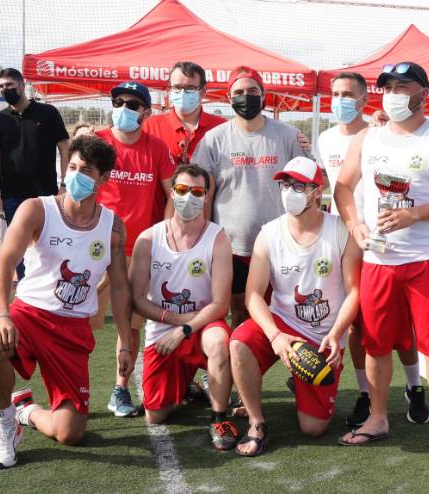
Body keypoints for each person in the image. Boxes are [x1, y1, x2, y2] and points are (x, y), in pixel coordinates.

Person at [334, 61, 429, 460]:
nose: (393, 94)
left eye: (402, 87)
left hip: (426, 260)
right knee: (376, 345)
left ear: (422, 93)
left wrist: (415, 214)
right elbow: (342, 187)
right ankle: (378, 417)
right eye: (388, 87)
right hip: (379, 261)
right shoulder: (367, 138)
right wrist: (355, 226)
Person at [0, 135, 131, 469]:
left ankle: (26, 410)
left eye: (86, 170)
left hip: (72, 329)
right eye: (72, 167)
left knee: (70, 433)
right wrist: (1, 314)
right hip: (29, 314)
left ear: (104, 178)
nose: (75, 175)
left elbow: (120, 289)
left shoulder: (113, 228)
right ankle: (3, 424)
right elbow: (5, 262)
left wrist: (125, 343)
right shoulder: (37, 209)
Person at [229, 156, 361, 456]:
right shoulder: (269, 233)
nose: (289, 191)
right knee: (239, 343)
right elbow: (253, 295)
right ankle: (256, 422)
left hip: (323, 336)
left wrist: (336, 334)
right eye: (285, 184)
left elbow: (355, 291)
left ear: (317, 191)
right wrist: (275, 335)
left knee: (313, 428)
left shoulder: (341, 230)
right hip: (283, 322)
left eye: (299, 186)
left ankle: (300, 382)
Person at [316, 72, 427, 427]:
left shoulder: (378, 133)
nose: (341, 101)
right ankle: (365, 393)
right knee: (357, 326)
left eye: (349, 95)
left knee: (402, 325)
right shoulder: (324, 139)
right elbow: (331, 188)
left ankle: (414, 386)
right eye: (336, 94)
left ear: (365, 99)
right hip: (344, 240)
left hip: (384, 241)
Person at [129, 164, 237, 449]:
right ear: (172, 192)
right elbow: (136, 299)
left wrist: (184, 328)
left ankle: (219, 418)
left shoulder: (218, 238)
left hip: (201, 324)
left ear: (206, 196)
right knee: (154, 415)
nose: (189, 197)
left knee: (219, 343)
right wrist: (174, 320)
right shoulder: (148, 239)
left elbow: (220, 304)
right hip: (164, 328)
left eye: (197, 192)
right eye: (182, 189)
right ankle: (189, 386)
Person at [191, 65, 308, 328]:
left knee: (286, 312)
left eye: (253, 91)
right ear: (229, 98)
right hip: (233, 247)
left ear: (263, 95)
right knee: (240, 314)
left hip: (280, 245)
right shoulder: (213, 140)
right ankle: (233, 357)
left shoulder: (288, 135)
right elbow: (202, 194)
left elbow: (308, 185)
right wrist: (203, 239)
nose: (246, 97)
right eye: (239, 92)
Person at [94, 81, 176, 417]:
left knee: (130, 325)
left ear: (146, 111)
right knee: (81, 322)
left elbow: (172, 194)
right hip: (95, 249)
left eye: (132, 104)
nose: (124, 109)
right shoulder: (97, 142)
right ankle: (73, 386)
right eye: (119, 102)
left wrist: (164, 236)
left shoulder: (157, 147)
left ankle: (121, 389)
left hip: (138, 250)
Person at [0, 68, 70, 280]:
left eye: (9, 85)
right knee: (18, 248)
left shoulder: (48, 113)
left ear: (22, 86)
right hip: (12, 196)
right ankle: (25, 290)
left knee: (47, 243)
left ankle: (48, 287)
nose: (5, 90)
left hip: (45, 195)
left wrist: (65, 185)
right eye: (1, 87)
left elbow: (64, 147)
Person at [142, 61, 228, 167]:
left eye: (190, 88)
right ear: (169, 89)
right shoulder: (150, 126)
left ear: (203, 90)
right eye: (177, 87)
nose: (182, 93)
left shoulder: (222, 127)